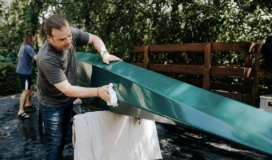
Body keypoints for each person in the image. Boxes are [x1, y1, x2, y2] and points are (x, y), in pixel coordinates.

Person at [37, 14, 122, 160]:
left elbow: (95, 39)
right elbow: (67, 89)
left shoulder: (69, 33)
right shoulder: (46, 57)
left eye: (69, 35)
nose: (69, 41)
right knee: (55, 144)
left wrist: (104, 53)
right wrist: (97, 92)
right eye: (62, 39)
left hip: (67, 100)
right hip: (51, 103)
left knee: (64, 134)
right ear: (49, 38)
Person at [16, 29, 38, 119]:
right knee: (25, 91)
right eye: (35, 36)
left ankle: (28, 103)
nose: (36, 38)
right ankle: (20, 111)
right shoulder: (28, 47)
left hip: (25, 71)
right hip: (24, 72)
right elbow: (37, 58)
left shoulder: (23, 45)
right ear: (32, 36)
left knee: (32, 86)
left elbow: (18, 55)